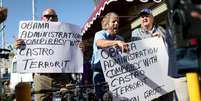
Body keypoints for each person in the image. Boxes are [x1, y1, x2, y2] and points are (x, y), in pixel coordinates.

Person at [15, 8, 73, 101]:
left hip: (61, 77)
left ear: (57, 18)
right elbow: (25, 53)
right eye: (47, 16)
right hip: (41, 78)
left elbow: (73, 54)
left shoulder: (67, 33)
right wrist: (18, 46)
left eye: (53, 16)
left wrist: (80, 48)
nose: (50, 19)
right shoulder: (31, 33)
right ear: (42, 18)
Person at [132, 8, 189, 101]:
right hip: (149, 75)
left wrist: (161, 38)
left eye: (146, 16)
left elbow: (170, 48)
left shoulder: (161, 30)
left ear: (152, 17)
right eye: (142, 17)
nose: (144, 18)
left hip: (164, 72)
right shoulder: (136, 33)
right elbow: (136, 53)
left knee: (169, 98)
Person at [91, 12, 128, 101]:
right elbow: (100, 43)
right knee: (104, 98)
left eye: (118, 22)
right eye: (114, 22)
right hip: (100, 73)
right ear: (106, 24)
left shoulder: (120, 38)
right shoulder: (100, 34)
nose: (116, 24)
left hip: (116, 73)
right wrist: (116, 43)